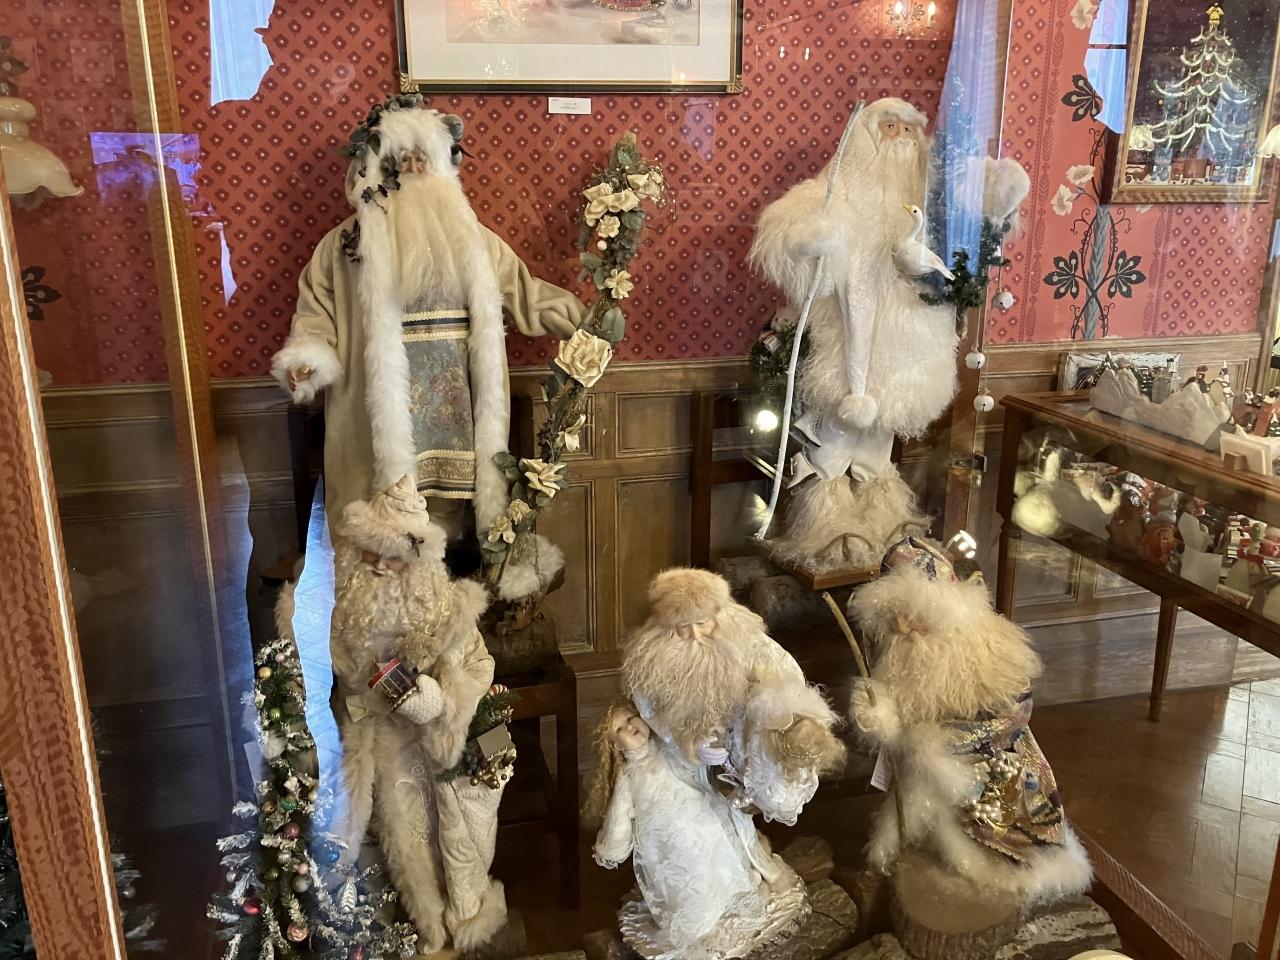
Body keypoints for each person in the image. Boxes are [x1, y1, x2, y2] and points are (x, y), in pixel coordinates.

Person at [271, 95, 583, 599]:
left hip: (460, 419)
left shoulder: (474, 241)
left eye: (424, 160)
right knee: (386, 541)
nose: (415, 170)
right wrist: (308, 357)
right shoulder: (343, 249)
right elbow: (316, 313)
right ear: (378, 167)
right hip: (378, 424)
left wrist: (585, 321)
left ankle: (450, 619)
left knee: (455, 538)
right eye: (403, 161)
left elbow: (524, 292)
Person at [749, 98, 957, 572]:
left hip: (901, 354)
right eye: (890, 127)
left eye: (909, 130)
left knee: (878, 448)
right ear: (865, 135)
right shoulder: (835, 191)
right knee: (831, 444)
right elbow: (789, 233)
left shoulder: (925, 200)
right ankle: (825, 533)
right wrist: (809, 240)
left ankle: (883, 529)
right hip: (840, 347)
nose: (902, 138)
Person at [328, 476, 507, 953]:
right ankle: (385, 926)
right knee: (373, 836)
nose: (380, 565)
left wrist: (441, 700)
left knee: (436, 831)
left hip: (426, 741)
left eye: (394, 556)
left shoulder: (444, 606)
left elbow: (478, 665)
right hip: (361, 737)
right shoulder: (335, 602)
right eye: (371, 552)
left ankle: (446, 918)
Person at [586, 701, 795, 960]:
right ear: (616, 745)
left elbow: (698, 767)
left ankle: (737, 894)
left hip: (704, 823)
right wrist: (612, 846)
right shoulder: (629, 777)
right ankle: (701, 919)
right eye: (620, 729)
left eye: (631, 718)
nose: (630, 727)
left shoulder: (670, 748)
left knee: (720, 862)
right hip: (670, 847)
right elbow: (619, 818)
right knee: (691, 884)